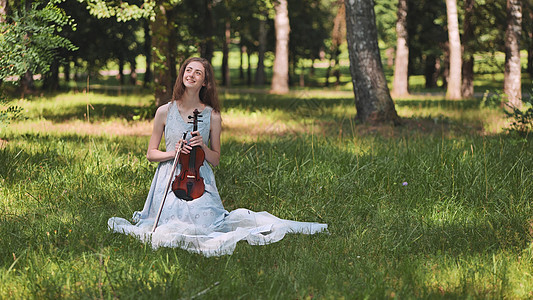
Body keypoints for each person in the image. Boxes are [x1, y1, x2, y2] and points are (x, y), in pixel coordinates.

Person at [108, 57, 327, 256]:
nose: (191, 75)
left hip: (200, 179)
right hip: (169, 179)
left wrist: (202, 145)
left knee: (205, 225)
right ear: (182, 74)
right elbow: (150, 154)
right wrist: (172, 152)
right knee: (171, 224)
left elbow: (215, 159)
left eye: (198, 73)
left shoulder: (212, 116)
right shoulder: (165, 111)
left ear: (205, 82)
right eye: (188, 70)